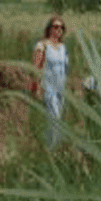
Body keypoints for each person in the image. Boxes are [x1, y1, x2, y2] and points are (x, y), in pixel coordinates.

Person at [33, 16, 69, 146]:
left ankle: (55, 145)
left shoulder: (63, 47)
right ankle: (52, 146)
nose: (59, 29)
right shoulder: (42, 45)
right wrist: (37, 87)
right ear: (49, 29)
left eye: (61, 27)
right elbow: (36, 68)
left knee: (59, 118)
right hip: (48, 87)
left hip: (61, 88)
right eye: (56, 26)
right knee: (54, 118)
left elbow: (65, 68)